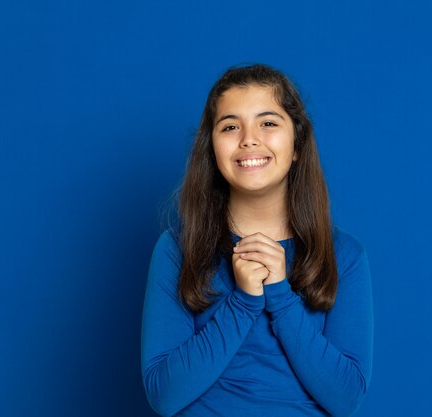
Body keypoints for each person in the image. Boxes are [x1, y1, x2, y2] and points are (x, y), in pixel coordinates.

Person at [140, 64, 373, 417]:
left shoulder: (345, 256)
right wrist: (244, 302)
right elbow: (164, 395)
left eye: (268, 123)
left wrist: (280, 296)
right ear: (212, 149)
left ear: (296, 145)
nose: (249, 138)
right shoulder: (177, 250)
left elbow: (347, 399)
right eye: (230, 126)